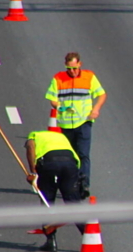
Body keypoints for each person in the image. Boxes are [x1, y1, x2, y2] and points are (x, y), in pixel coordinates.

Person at [45, 52, 106, 198]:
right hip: (65, 124)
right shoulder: (58, 78)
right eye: (69, 68)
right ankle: (71, 184)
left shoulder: (89, 77)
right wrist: (60, 106)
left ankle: (84, 184)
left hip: (84, 121)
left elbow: (102, 94)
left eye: (74, 68)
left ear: (80, 64)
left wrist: (96, 110)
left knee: (83, 154)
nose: (72, 71)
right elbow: (52, 99)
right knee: (70, 156)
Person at [25, 130, 84, 252]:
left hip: (49, 163)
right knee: (73, 202)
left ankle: (51, 242)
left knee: (47, 200)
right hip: (70, 164)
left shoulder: (34, 135)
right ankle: (89, 237)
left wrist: (32, 172)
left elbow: (30, 147)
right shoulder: (61, 137)